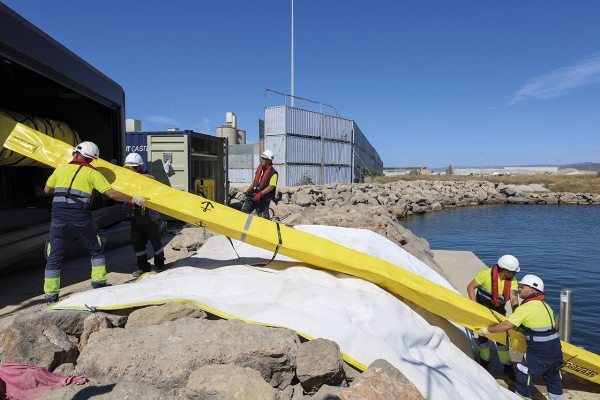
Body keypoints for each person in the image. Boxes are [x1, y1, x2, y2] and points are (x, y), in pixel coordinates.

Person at [43, 141, 147, 304]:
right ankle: (99, 284)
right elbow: (112, 194)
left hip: (58, 221)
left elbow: (47, 190)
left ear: (76, 154)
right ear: (92, 159)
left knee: (54, 257)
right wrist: (133, 198)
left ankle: (51, 296)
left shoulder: (61, 169)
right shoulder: (93, 174)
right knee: (96, 249)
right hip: (81, 220)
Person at [475, 275, 564, 400]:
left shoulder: (526, 308)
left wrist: (487, 330)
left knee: (524, 375)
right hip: (556, 350)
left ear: (533, 290)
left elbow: (506, 325)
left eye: (523, 286)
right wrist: (514, 299)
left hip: (539, 352)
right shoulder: (546, 306)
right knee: (553, 379)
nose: (520, 288)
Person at [467, 254, 520, 380]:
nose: (515, 274)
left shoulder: (513, 281)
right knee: (482, 338)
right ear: (506, 272)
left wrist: (516, 312)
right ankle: (485, 360)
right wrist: (474, 306)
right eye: (513, 272)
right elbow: (471, 287)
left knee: (502, 340)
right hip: (483, 312)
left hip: (499, 313)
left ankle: (507, 366)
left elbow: (513, 298)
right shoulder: (484, 274)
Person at [123, 152, 166, 277]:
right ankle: (143, 267)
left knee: (156, 242)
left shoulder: (146, 179)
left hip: (151, 217)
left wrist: (137, 177)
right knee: (138, 243)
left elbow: (152, 179)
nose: (131, 170)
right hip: (136, 217)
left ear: (139, 168)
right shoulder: (126, 181)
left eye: (133, 168)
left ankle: (160, 265)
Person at [241, 150, 278, 219]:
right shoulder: (259, 169)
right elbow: (255, 181)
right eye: (261, 158)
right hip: (253, 197)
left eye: (264, 158)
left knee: (263, 219)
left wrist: (261, 193)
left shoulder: (273, 173)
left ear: (269, 161)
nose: (261, 160)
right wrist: (250, 188)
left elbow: (271, 186)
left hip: (263, 201)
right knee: (244, 212)